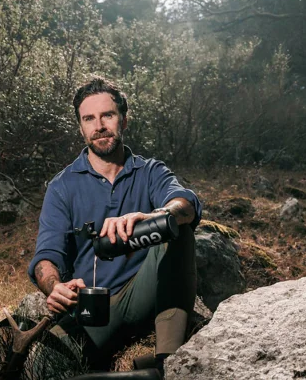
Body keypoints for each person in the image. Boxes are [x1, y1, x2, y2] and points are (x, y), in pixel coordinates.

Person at [27, 77, 201, 372]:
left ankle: (166, 365)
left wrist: (157, 216)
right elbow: (47, 256)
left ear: (123, 120)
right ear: (81, 127)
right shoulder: (62, 187)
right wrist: (54, 287)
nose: (99, 126)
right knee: (42, 366)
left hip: (145, 293)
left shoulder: (148, 171)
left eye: (107, 115)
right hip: (92, 307)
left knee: (175, 228)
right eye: (89, 118)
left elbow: (185, 203)